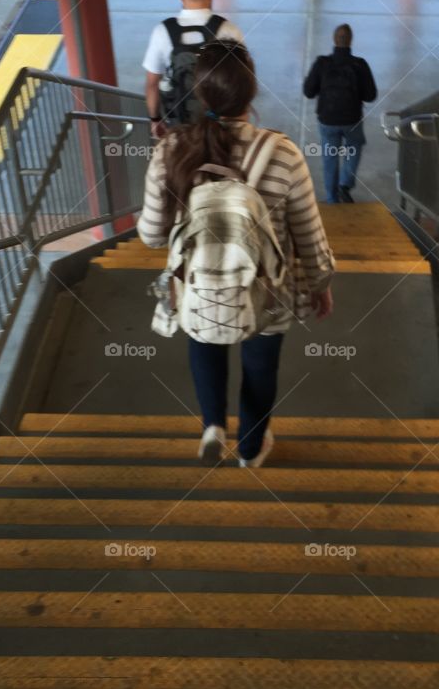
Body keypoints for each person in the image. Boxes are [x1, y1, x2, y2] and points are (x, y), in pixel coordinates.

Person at [138, 41, 335, 468]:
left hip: (198, 283)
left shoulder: (170, 152)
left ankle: (212, 425)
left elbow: (152, 236)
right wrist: (320, 285)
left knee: (204, 340)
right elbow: (308, 236)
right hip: (268, 290)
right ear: (251, 92)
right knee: (261, 368)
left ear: (200, 93)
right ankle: (250, 448)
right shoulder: (283, 154)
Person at [143, 0, 244, 135]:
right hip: (220, 131)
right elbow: (241, 85)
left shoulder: (162, 32)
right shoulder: (229, 31)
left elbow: (152, 83)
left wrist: (155, 119)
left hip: (179, 128)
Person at [303, 23, 377, 204]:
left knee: (330, 158)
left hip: (327, 120)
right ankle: (345, 183)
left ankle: (331, 199)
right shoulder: (360, 65)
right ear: (351, 40)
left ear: (334, 40)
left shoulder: (322, 63)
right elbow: (370, 96)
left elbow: (308, 92)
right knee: (354, 147)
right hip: (352, 120)